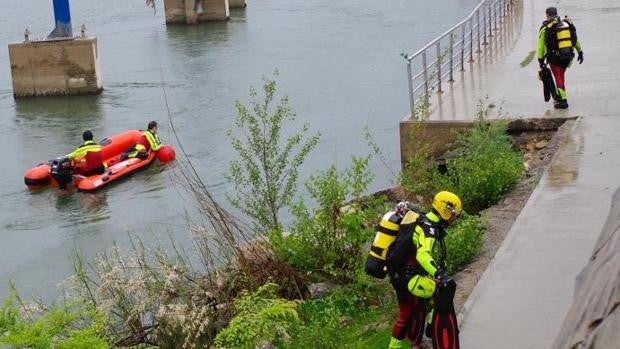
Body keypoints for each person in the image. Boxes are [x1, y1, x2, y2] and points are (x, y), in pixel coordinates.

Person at [387, 191, 462, 349]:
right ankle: (431, 330)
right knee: (443, 290)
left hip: (401, 274)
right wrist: (439, 274)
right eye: (454, 214)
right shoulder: (429, 229)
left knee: (407, 312)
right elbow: (423, 255)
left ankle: (420, 337)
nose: (454, 218)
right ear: (445, 210)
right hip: (407, 277)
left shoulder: (424, 220)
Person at [537, 6, 583, 109]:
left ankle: (563, 101)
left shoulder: (546, 28)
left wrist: (540, 59)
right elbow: (574, 40)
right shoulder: (566, 24)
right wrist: (580, 51)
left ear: (547, 15)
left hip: (555, 58)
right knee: (561, 75)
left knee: (558, 77)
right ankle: (559, 97)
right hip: (568, 57)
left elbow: (540, 46)